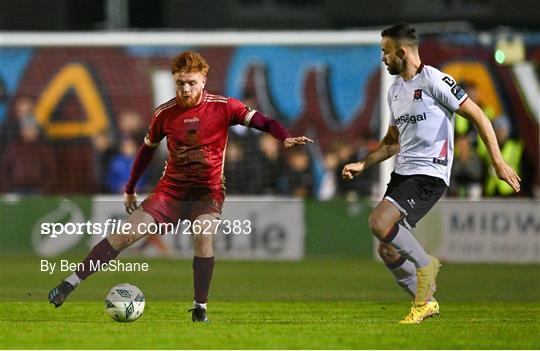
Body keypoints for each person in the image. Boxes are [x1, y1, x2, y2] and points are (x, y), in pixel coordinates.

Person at [48, 51, 313, 322]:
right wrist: (130, 187)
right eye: (180, 83)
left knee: (203, 235)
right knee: (125, 236)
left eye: (191, 83)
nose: (186, 89)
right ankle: (70, 283)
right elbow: (146, 150)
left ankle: (200, 307)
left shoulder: (224, 106)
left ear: (203, 80)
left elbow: (264, 122)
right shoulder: (165, 113)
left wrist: (284, 137)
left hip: (207, 191)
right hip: (171, 191)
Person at [342, 24, 520, 324]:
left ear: (402, 52)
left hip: (429, 174)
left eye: (385, 52)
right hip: (403, 174)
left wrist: (498, 162)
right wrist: (363, 164)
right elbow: (391, 143)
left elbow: (479, 116)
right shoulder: (395, 92)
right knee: (387, 249)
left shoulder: (437, 80)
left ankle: (426, 265)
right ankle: (424, 302)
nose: (382, 58)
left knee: (378, 221)